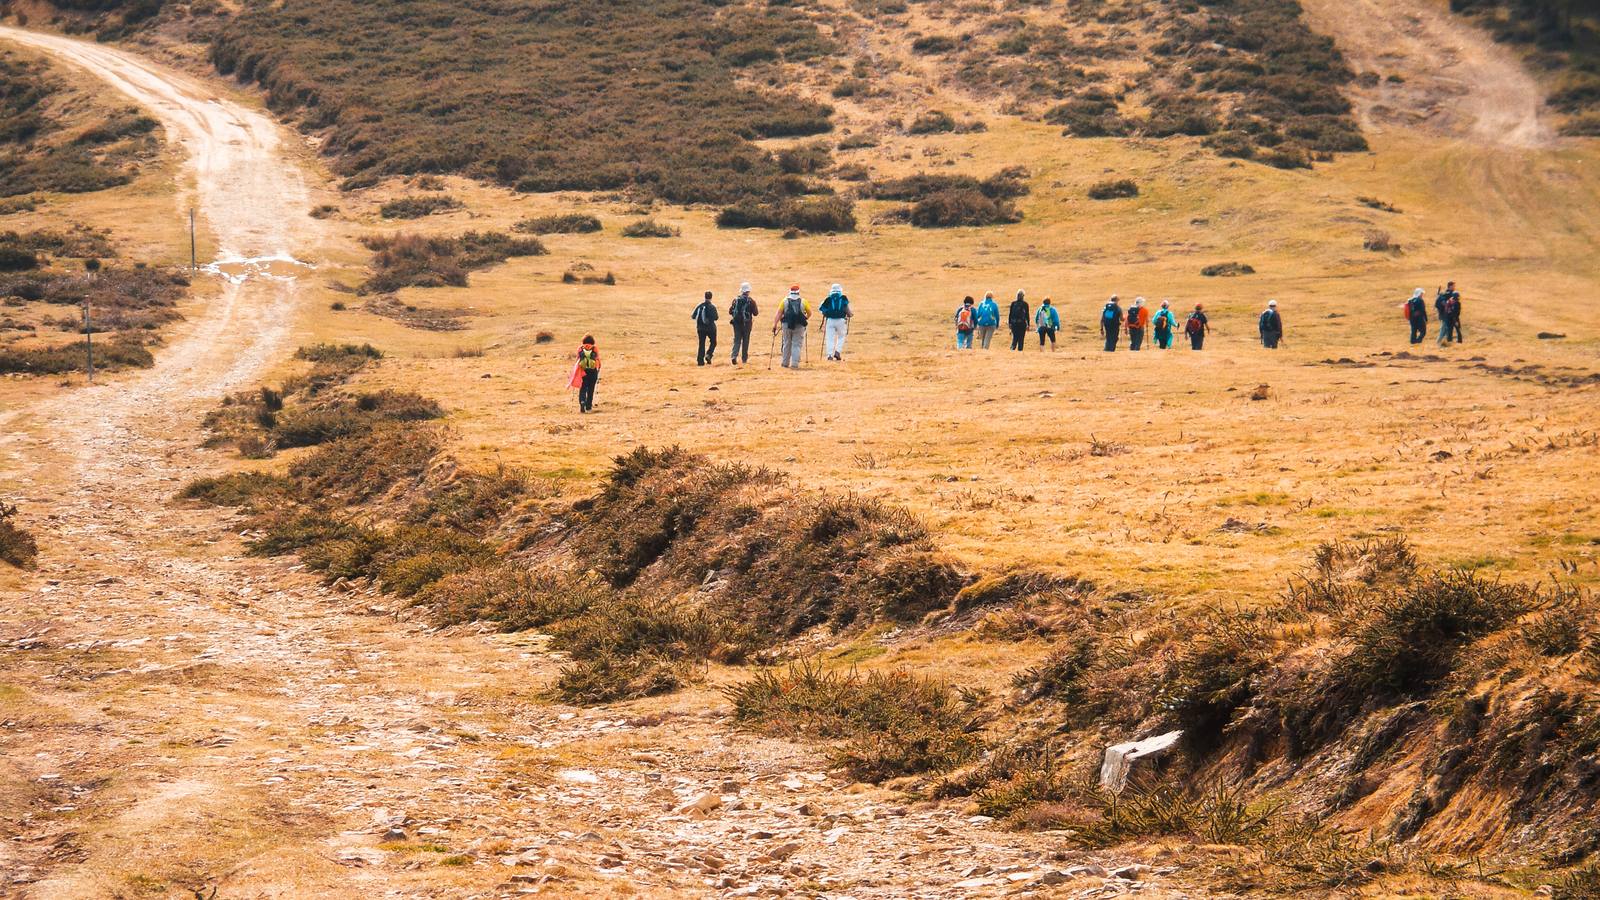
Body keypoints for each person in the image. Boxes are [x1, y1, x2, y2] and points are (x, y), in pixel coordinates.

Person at [773, 285, 810, 369]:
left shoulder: (784, 301)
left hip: (786, 325)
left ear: (790, 292)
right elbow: (809, 313)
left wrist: (775, 324)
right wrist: (804, 319)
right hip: (799, 326)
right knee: (796, 344)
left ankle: (785, 363)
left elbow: (779, 313)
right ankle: (794, 364)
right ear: (798, 292)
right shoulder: (804, 301)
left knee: (786, 343)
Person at [819, 283, 852, 361]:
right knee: (841, 336)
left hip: (830, 320)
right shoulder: (843, 298)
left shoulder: (828, 299)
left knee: (829, 338)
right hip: (841, 320)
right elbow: (846, 309)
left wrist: (826, 314)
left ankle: (829, 355)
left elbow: (822, 309)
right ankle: (837, 352)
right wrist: (850, 314)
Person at [729, 283, 759, 365]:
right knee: (746, 341)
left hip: (736, 324)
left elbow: (730, 311)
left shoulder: (736, 300)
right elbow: (756, 313)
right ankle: (744, 359)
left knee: (737, 340)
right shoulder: (751, 301)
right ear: (748, 291)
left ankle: (734, 356)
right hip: (747, 324)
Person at [572, 335, 600, 413]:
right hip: (593, 371)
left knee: (583, 388)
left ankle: (582, 401)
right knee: (591, 390)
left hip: (583, 371)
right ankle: (588, 407)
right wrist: (599, 366)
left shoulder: (580, 349)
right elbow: (597, 358)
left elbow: (577, 359)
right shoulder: (594, 348)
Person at [1434, 282, 1461, 346]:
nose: (1454, 287)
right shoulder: (1448, 294)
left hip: (1446, 315)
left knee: (1447, 330)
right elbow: (1445, 304)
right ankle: (1438, 343)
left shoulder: (1446, 294)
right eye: (1453, 286)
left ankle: (1445, 343)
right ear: (1450, 286)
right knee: (1443, 329)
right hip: (1445, 315)